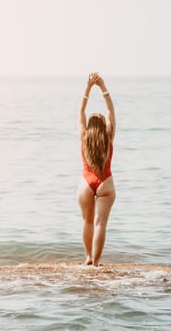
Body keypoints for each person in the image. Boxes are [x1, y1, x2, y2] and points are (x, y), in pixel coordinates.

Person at [77, 72, 116, 267]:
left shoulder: (84, 136)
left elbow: (81, 111)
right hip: (105, 182)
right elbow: (111, 111)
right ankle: (97, 262)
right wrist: (102, 86)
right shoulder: (108, 136)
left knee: (87, 221)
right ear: (103, 125)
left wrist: (87, 88)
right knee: (100, 224)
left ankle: (88, 258)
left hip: (86, 182)